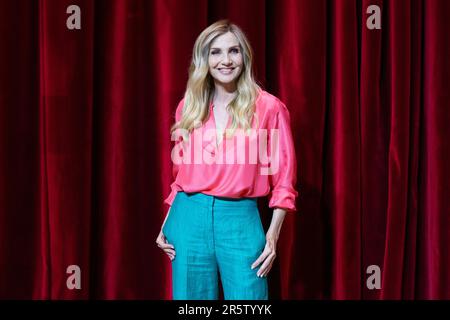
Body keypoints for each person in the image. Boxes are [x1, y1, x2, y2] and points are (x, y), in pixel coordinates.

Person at [156, 19, 298, 300]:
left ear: (244, 56)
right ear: (204, 60)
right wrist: (167, 222)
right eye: (215, 52)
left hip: (240, 219)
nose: (225, 60)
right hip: (188, 218)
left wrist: (272, 236)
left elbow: (284, 180)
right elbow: (180, 177)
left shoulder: (269, 107)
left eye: (233, 51)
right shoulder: (188, 107)